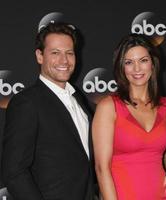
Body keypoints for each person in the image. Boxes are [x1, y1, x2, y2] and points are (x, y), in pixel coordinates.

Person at [1, 22, 95, 200]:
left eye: (69, 53)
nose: (64, 61)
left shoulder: (79, 99)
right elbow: (14, 172)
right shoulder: (27, 103)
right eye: (55, 53)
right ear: (39, 56)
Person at [92, 33, 166, 200]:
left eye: (143, 60)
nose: (137, 69)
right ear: (121, 67)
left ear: (153, 64)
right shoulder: (109, 107)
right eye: (129, 62)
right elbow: (101, 167)